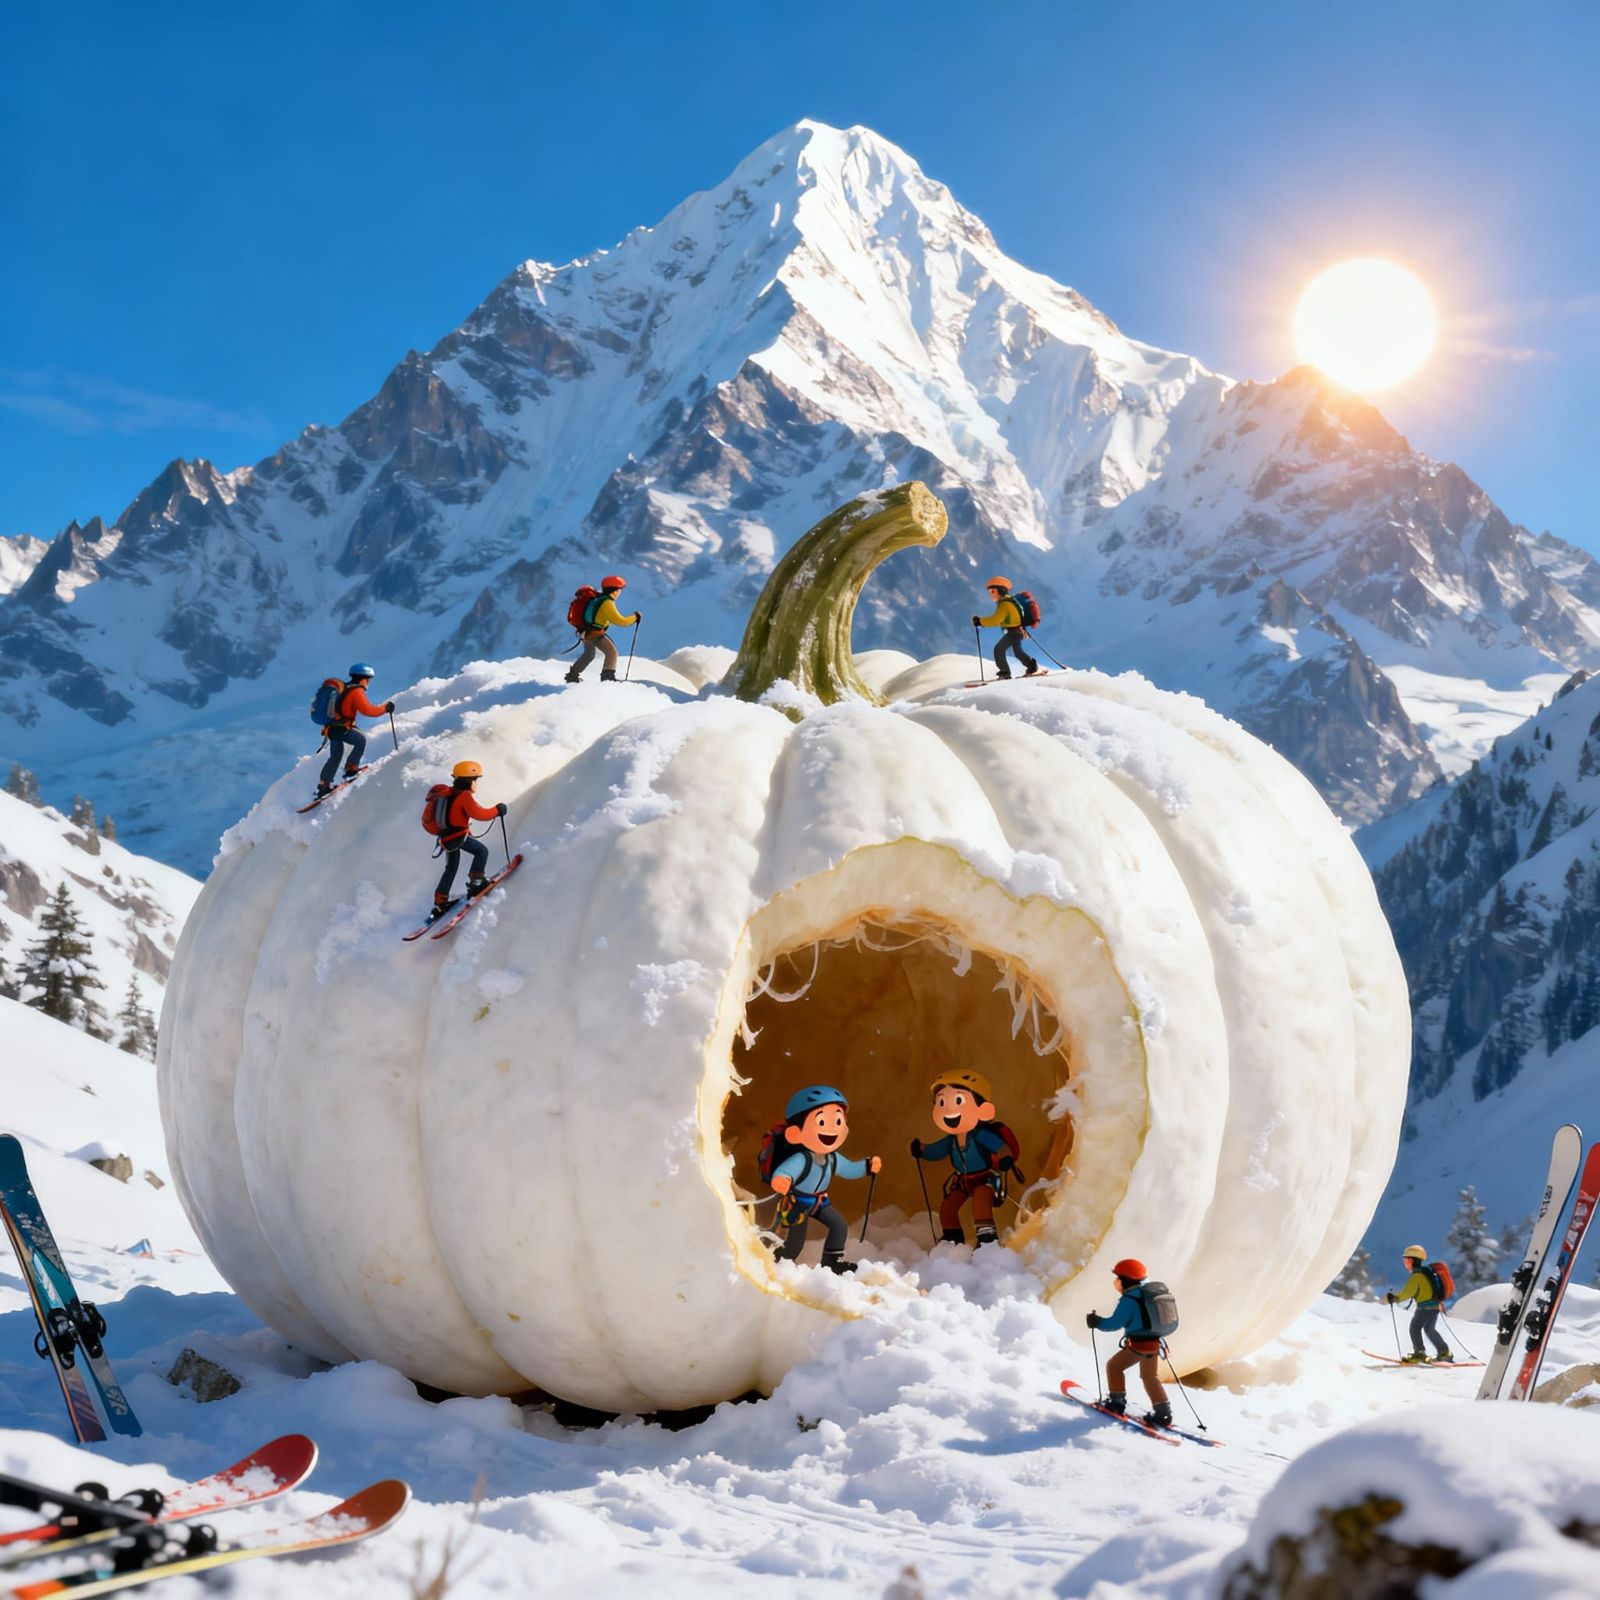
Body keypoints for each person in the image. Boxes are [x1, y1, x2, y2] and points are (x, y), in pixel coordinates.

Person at [769, 1085, 882, 1274]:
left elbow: (850, 1170)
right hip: (798, 1203)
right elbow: (784, 1172)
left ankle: (832, 1261)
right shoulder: (801, 1159)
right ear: (795, 1133)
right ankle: (778, 1261)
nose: (831, 1129)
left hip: (820, 1201)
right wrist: (781, 1180)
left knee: (839, 1225)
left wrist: (867, 1166)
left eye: (838, 1121)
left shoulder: (832, 1158)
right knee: (795, 1242)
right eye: (821, 1122)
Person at [909, 1070, 1015, 1246]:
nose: (949, 1110)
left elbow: (1001, 1147)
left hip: (984, 1178)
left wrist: (1005, 1158)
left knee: (981, 1203)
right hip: (962, 1180)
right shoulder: (951, 1140)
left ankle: (987, 1240)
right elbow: (936, 1151)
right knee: (948, 1208)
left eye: (959, 1101)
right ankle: (953, 1237)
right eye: (941, 1102)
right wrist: (921, 1150)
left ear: (984, 1111)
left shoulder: (981, 1135)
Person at [1086, 1258, 1172, 1427]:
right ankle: (1163, 1412)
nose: (1116, 1282)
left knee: (1114, 1367)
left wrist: (1097, 1322)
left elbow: (1114, 1324)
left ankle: (1116, 1403)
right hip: (1155, 1343)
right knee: (1149, 1376)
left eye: (1118, 1278)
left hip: (1138, 1345)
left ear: (1125, 1280)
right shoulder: (1147, 1295)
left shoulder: (1129, 1299)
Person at [427, 760, 507, 923]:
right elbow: (480, 814)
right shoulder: (464, 796)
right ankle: (476, 883)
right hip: (457, 837)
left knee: (451, 868)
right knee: (481, 851)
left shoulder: (448, 794)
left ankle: (439, 903)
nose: (476, 783)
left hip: (445, 838)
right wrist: (498, 810)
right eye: (476, 779)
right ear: (470, 780)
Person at [318, 663, 393, 797]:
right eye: (368, 679)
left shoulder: (344, 687)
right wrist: (385, 708)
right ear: (363, 678)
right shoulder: (357, 691)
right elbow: (368, 710)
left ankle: (324, 784)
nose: (368, 683)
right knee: (360, 740)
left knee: (335, 756)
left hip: (331, 728)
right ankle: (351, 768)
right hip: (341, 728)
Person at [566, 575, 641, 683]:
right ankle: (607, 679)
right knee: (612, 653)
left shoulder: (598, 599)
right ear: (614, 591)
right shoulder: (607, 603)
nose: (619, 593)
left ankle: (572, 676)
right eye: (619, 590)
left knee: (589, 654)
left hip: (585, 630)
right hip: (594, 633)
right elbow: (620, 621)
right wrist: (635, 617)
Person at [1385, 1245, 1453, 1363]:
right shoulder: (1428, 1272)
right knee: (1429, 1329)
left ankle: (1419, 1353)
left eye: (1407, 1260)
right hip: (1435, 1307)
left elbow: (1407, 1293)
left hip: (1424, 1308)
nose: (1405, 1264)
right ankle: (1445, 1352)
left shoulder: (1417, 1276)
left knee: (1414, 1327)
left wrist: (1394, 1298)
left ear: (1414, 1260)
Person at [971, 577, 1039, 681]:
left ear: (1000, 590)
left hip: (1014, 632)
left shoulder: (1005, 604)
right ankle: (1032, 666)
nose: (991, 594)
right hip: (1019, 630)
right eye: (990, 592)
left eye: (993, 591)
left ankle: (1005, 673)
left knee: (999, 649)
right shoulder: (1009, 601)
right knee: (1018, 652)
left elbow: (996, 620)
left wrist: (980, 621)